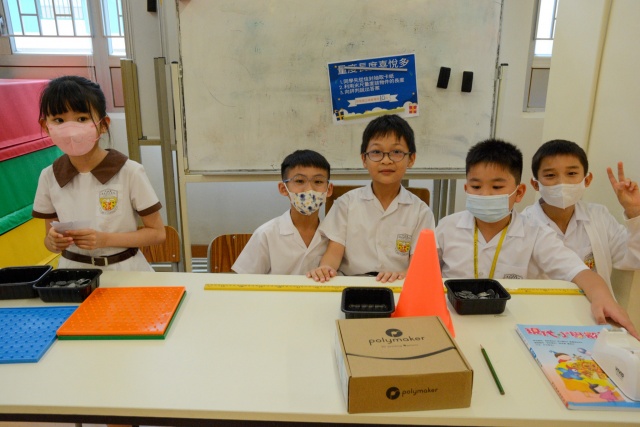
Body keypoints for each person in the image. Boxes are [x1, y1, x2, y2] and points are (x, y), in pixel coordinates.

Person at [436, 138, 638, 337]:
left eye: (497, 187)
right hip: (450, 321)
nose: (486, 194)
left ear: (519, 193)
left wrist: (603, 297)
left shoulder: (536, 233)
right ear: (466, 189)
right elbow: (423, 270)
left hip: (507, 326)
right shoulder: (447, 226)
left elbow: (580, 272)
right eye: (476, 187)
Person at [32, 75, 165, 271]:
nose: (71, 130)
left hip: (125, 270)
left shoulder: (130, 171)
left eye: (82, 119)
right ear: (46, 126)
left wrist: (105, 240)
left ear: (103, 124)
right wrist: (53, 242)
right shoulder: (49, 176)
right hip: (72, 273)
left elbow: (158, 233)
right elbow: (49, 240)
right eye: (59, 120)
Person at [307, 114, 435, 283]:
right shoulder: (346, 204)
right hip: (352, 284)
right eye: (376, 152)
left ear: (411, 159)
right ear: (364, 159)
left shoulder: (420, 211)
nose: (386, 161)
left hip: (397, 286)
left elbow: (419, 265)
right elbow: (333, 252)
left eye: (396, 152)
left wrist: (402, 275)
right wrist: (326, 268)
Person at [521, 139, 640, 294]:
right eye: (550, 175)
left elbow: (634, 260)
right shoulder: (523, 225)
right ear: (536, 184)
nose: (562, 182)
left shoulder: (599, 216)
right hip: (541, 306)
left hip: (594, 305)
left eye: (571, 173)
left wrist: (634, 211)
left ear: (587, 180)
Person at [232, 149, 333, 274]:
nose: (309, 189)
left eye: (318, 181)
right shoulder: (266, 234)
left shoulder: (334, 236)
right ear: (283, 188)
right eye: (299, 181)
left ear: (329, 189)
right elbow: (245, 279)